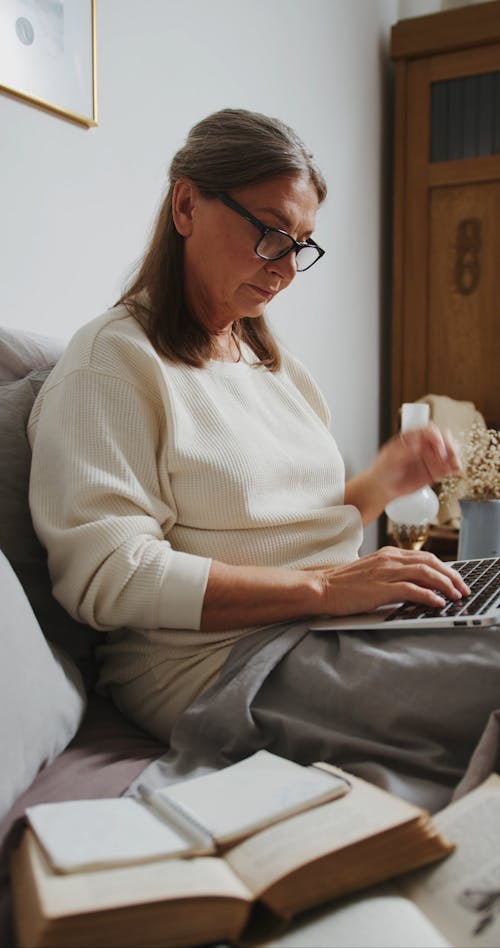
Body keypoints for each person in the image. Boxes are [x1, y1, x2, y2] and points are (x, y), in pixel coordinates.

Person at [28, 108, 468, 746]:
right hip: (214, 662)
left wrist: (379, 484)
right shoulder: (112, 364)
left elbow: (285, 527)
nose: (287, 268)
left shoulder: (276, 365)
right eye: (271, 232)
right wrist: (324, 589)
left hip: (326, 624)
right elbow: (109, 575)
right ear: (186, 206)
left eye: (303, 244)